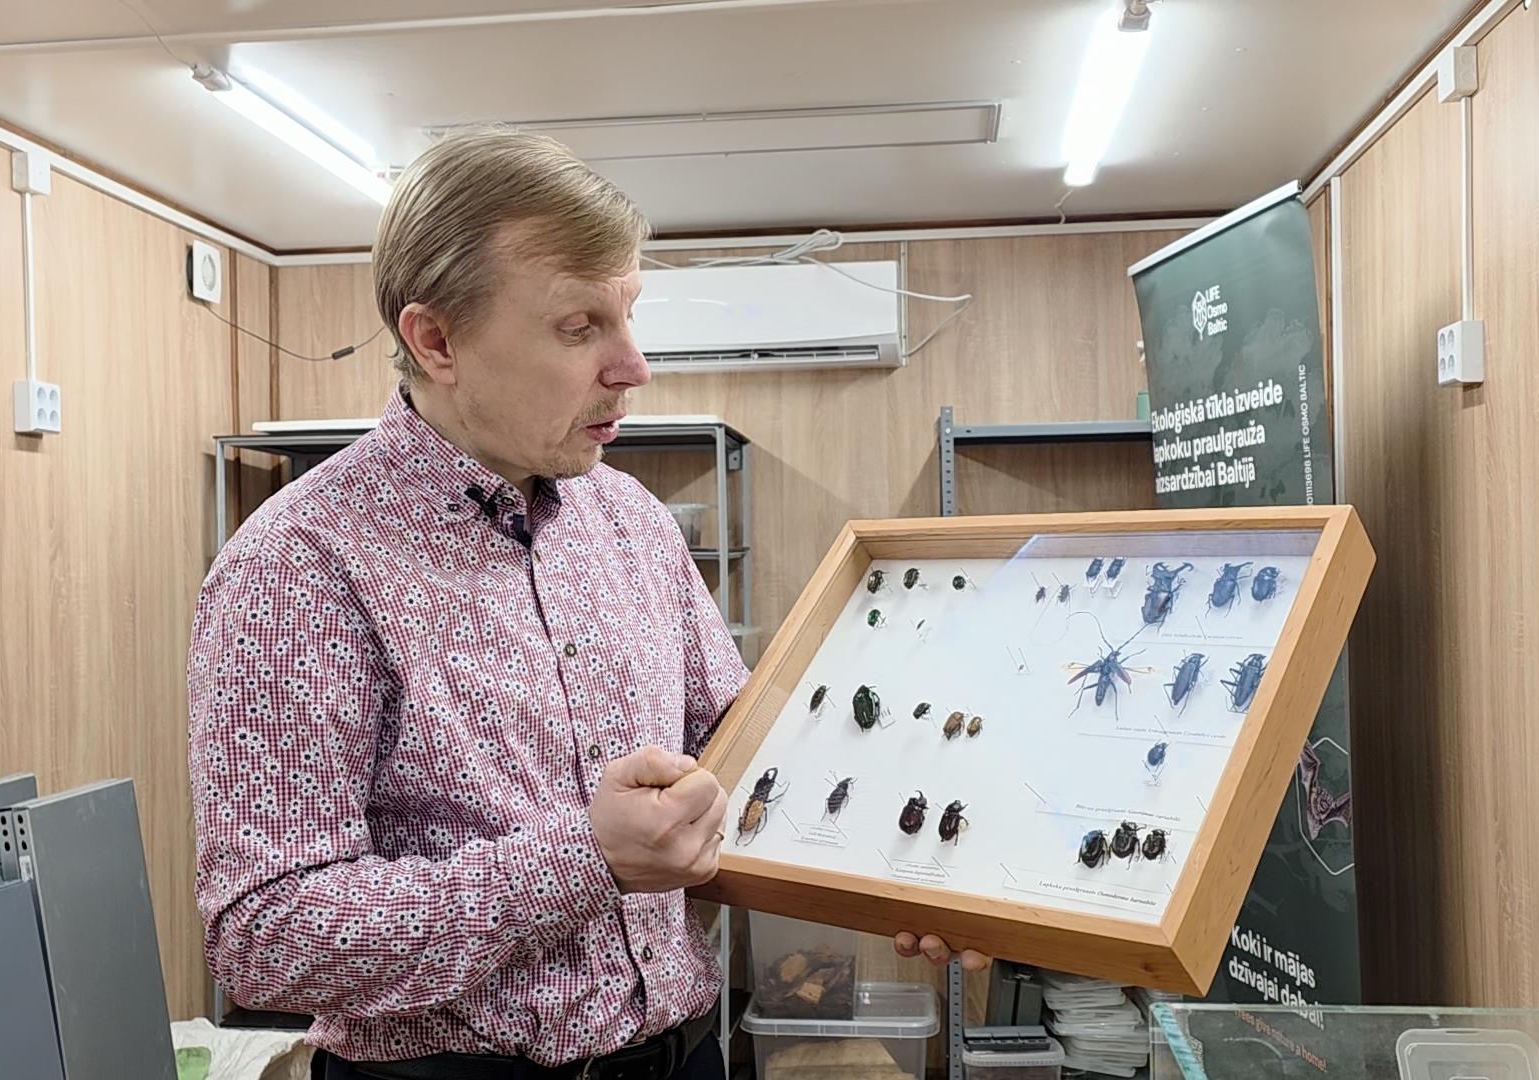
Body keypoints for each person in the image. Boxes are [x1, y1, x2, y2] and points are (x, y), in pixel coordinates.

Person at [186, 127, 985, 1080]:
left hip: (683, 1056)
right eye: (579, 327)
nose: (634, 366)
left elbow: (742, 761)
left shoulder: (631, 522)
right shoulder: (299, 564)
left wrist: (912, 875)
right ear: (436, 340)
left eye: (629, 314)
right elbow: (265, 935)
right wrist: (581, 861)